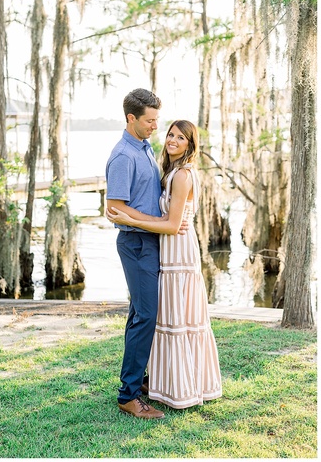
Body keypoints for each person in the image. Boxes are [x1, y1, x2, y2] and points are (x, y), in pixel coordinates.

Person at [107, 119, 222, 410]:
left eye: (180, 138)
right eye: (170, 134)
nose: (171, 139)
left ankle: (163, 385)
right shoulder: (161, 166)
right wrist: (127, 219)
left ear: (189, 145)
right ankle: (149, 383)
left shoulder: (182, 175)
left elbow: (172, 225)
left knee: (173, 319)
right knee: (159, 318)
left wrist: (128, 220)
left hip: (177, 253)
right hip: (164, 251)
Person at [105, 88, 166, 420]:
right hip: (137, 244)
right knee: (146, 316)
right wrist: (158, 221)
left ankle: (138, 379)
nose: (154, 126)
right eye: (149, 120)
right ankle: (128, 395)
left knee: (139, 315)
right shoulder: (123, 156)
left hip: (151, 242)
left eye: (156, 120)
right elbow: (114, 208)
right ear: (131, 118)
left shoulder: (144, 147)